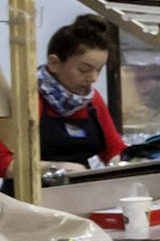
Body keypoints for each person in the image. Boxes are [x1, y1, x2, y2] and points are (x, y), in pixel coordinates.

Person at [35, 15, 128, 166]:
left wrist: (123, 162)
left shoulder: (92, 100)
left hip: (80, 186)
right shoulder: (30, 99)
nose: (93, 78)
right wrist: (53, 168)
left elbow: (113, 149)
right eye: (83, 70)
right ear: (54, 63)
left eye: (98, 70)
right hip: (34, 188)